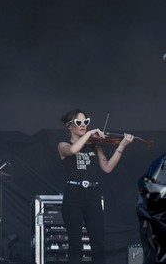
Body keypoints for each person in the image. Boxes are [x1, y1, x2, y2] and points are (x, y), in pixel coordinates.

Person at [57, 109, 134, 264]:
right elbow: (72, 150)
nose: (83, 125)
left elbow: (107, 168)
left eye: (86, 122)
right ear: (69, 126)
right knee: (75, 245)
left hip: (92, 196)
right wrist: (89, 134)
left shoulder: (95, 146)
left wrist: (122, 146)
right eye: (79, 122)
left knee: (98, 244)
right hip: (73, 196)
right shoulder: (63, 145)